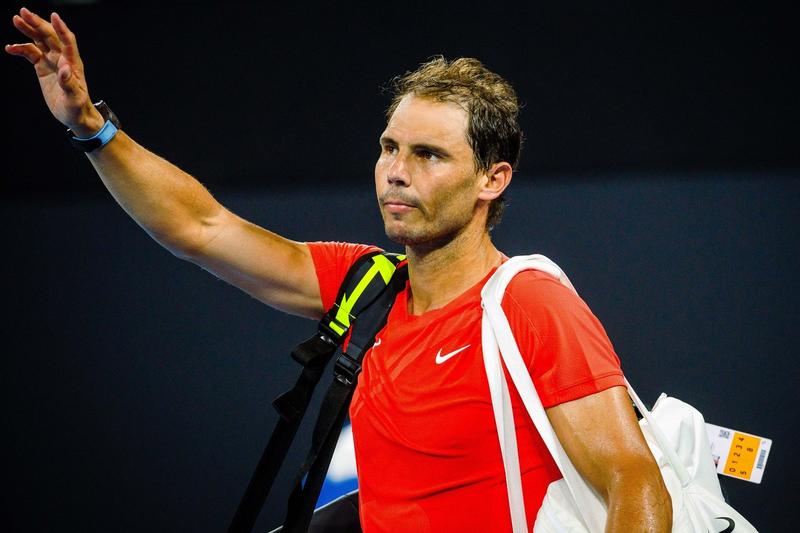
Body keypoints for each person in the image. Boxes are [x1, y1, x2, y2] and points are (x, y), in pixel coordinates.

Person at [7, 8, 672, 532]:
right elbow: (200, 227)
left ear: (491, 179)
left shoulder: (530, 304)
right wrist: (90, 127)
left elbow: (633, 482)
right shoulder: (367, 284)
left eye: (429, 154)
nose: (397, 171)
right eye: (389, 146)